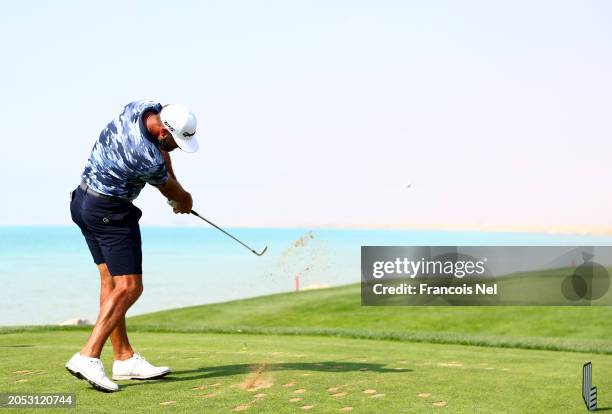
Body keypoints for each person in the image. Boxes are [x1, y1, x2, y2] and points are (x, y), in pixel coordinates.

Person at [65, 100, 198, 392]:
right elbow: (169, 187)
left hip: (83, 201)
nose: (176, 147)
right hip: (109, 211)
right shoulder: (146, 156)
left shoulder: (139, 108)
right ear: (163, 131)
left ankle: (124, 359)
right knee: (130, 287)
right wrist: (183, 198)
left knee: (111, 282)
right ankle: (88, 355)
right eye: (176, 142)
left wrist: (172, 185)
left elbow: (164, 159)